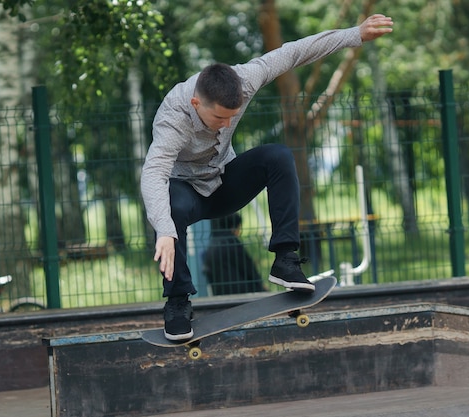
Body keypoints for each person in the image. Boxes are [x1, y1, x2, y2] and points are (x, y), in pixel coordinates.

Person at [141, 14, 394, 341]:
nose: (224, 124)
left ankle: (286, 260)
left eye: (230, 117)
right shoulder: (174, 118)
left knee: (278, 155)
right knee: (171, 207)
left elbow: (294, 52)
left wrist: (354, 34)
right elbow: (154, 171)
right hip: (185, 195)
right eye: (218, 117)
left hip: (221, 184)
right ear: (195, 103)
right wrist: (163, 229)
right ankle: (177, 303)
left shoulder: (245, 79)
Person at [202, 213, 265, 296]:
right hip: (239, 290)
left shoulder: (213, 242)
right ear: (235, 227)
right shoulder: (231, 242)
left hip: (219, 291)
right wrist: (260, 285)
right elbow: (248, 267)